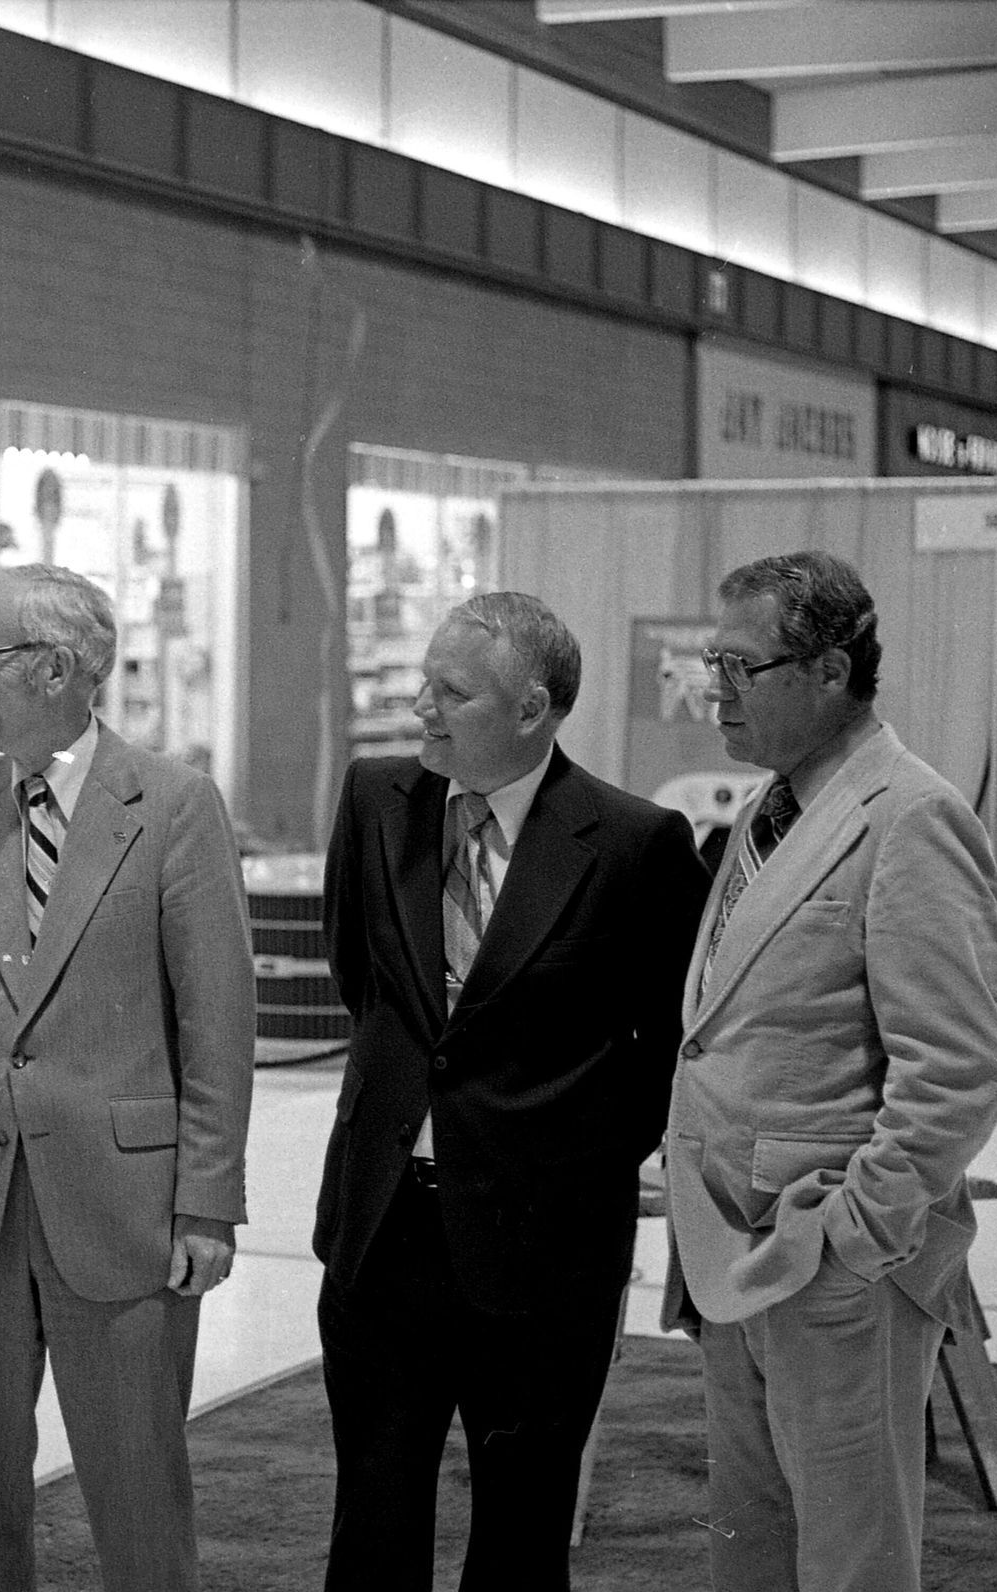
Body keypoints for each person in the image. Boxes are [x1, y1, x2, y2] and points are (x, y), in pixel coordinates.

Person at [314, 592, 708, 1590]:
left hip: (544, 1245)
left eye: (450, 692)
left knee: (522, 1533)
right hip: (381, 1228)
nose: (421, 708)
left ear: (531, 708)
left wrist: (564, 1160)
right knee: (371, 1521)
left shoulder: (633, 842)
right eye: (423, 683)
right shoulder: (374, 799)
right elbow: (361, 978)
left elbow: (667, 1046)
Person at [0, 563, 256, 1592]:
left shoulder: (174, 804)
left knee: (137, 1496)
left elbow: (215, 1022)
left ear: (54, 668)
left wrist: (207, 1201)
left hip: (124, 1206)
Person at [664, 551, 997, 1592]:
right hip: (731, 1250)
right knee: (751, 1545)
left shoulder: (910, 816)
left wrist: (854, 1238)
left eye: (740, 666)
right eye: (712, 663)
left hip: (828, 1259)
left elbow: (955, 1069)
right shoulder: (771, 808)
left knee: (850, 1559)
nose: (715, 689)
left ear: (827, 671)